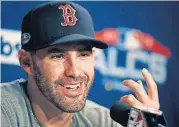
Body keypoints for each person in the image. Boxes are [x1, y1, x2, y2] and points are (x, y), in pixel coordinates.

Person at [1, 1, 160, 127]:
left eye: (83, 54)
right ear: (26, 62)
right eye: (58, 56)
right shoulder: (5, 109)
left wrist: (148, 123)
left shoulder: (103, 121)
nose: (75, 71)